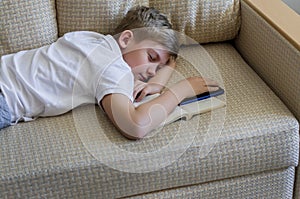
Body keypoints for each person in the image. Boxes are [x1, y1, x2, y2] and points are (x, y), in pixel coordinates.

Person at [0, 6, 219, 139]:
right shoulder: (112, 68)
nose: (151, 71)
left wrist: (157, 80)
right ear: (125, 39)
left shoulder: (90, 40)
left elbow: (167, 62)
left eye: (157, 68)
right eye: (151, 58)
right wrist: (181, 90)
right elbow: (134, 126)